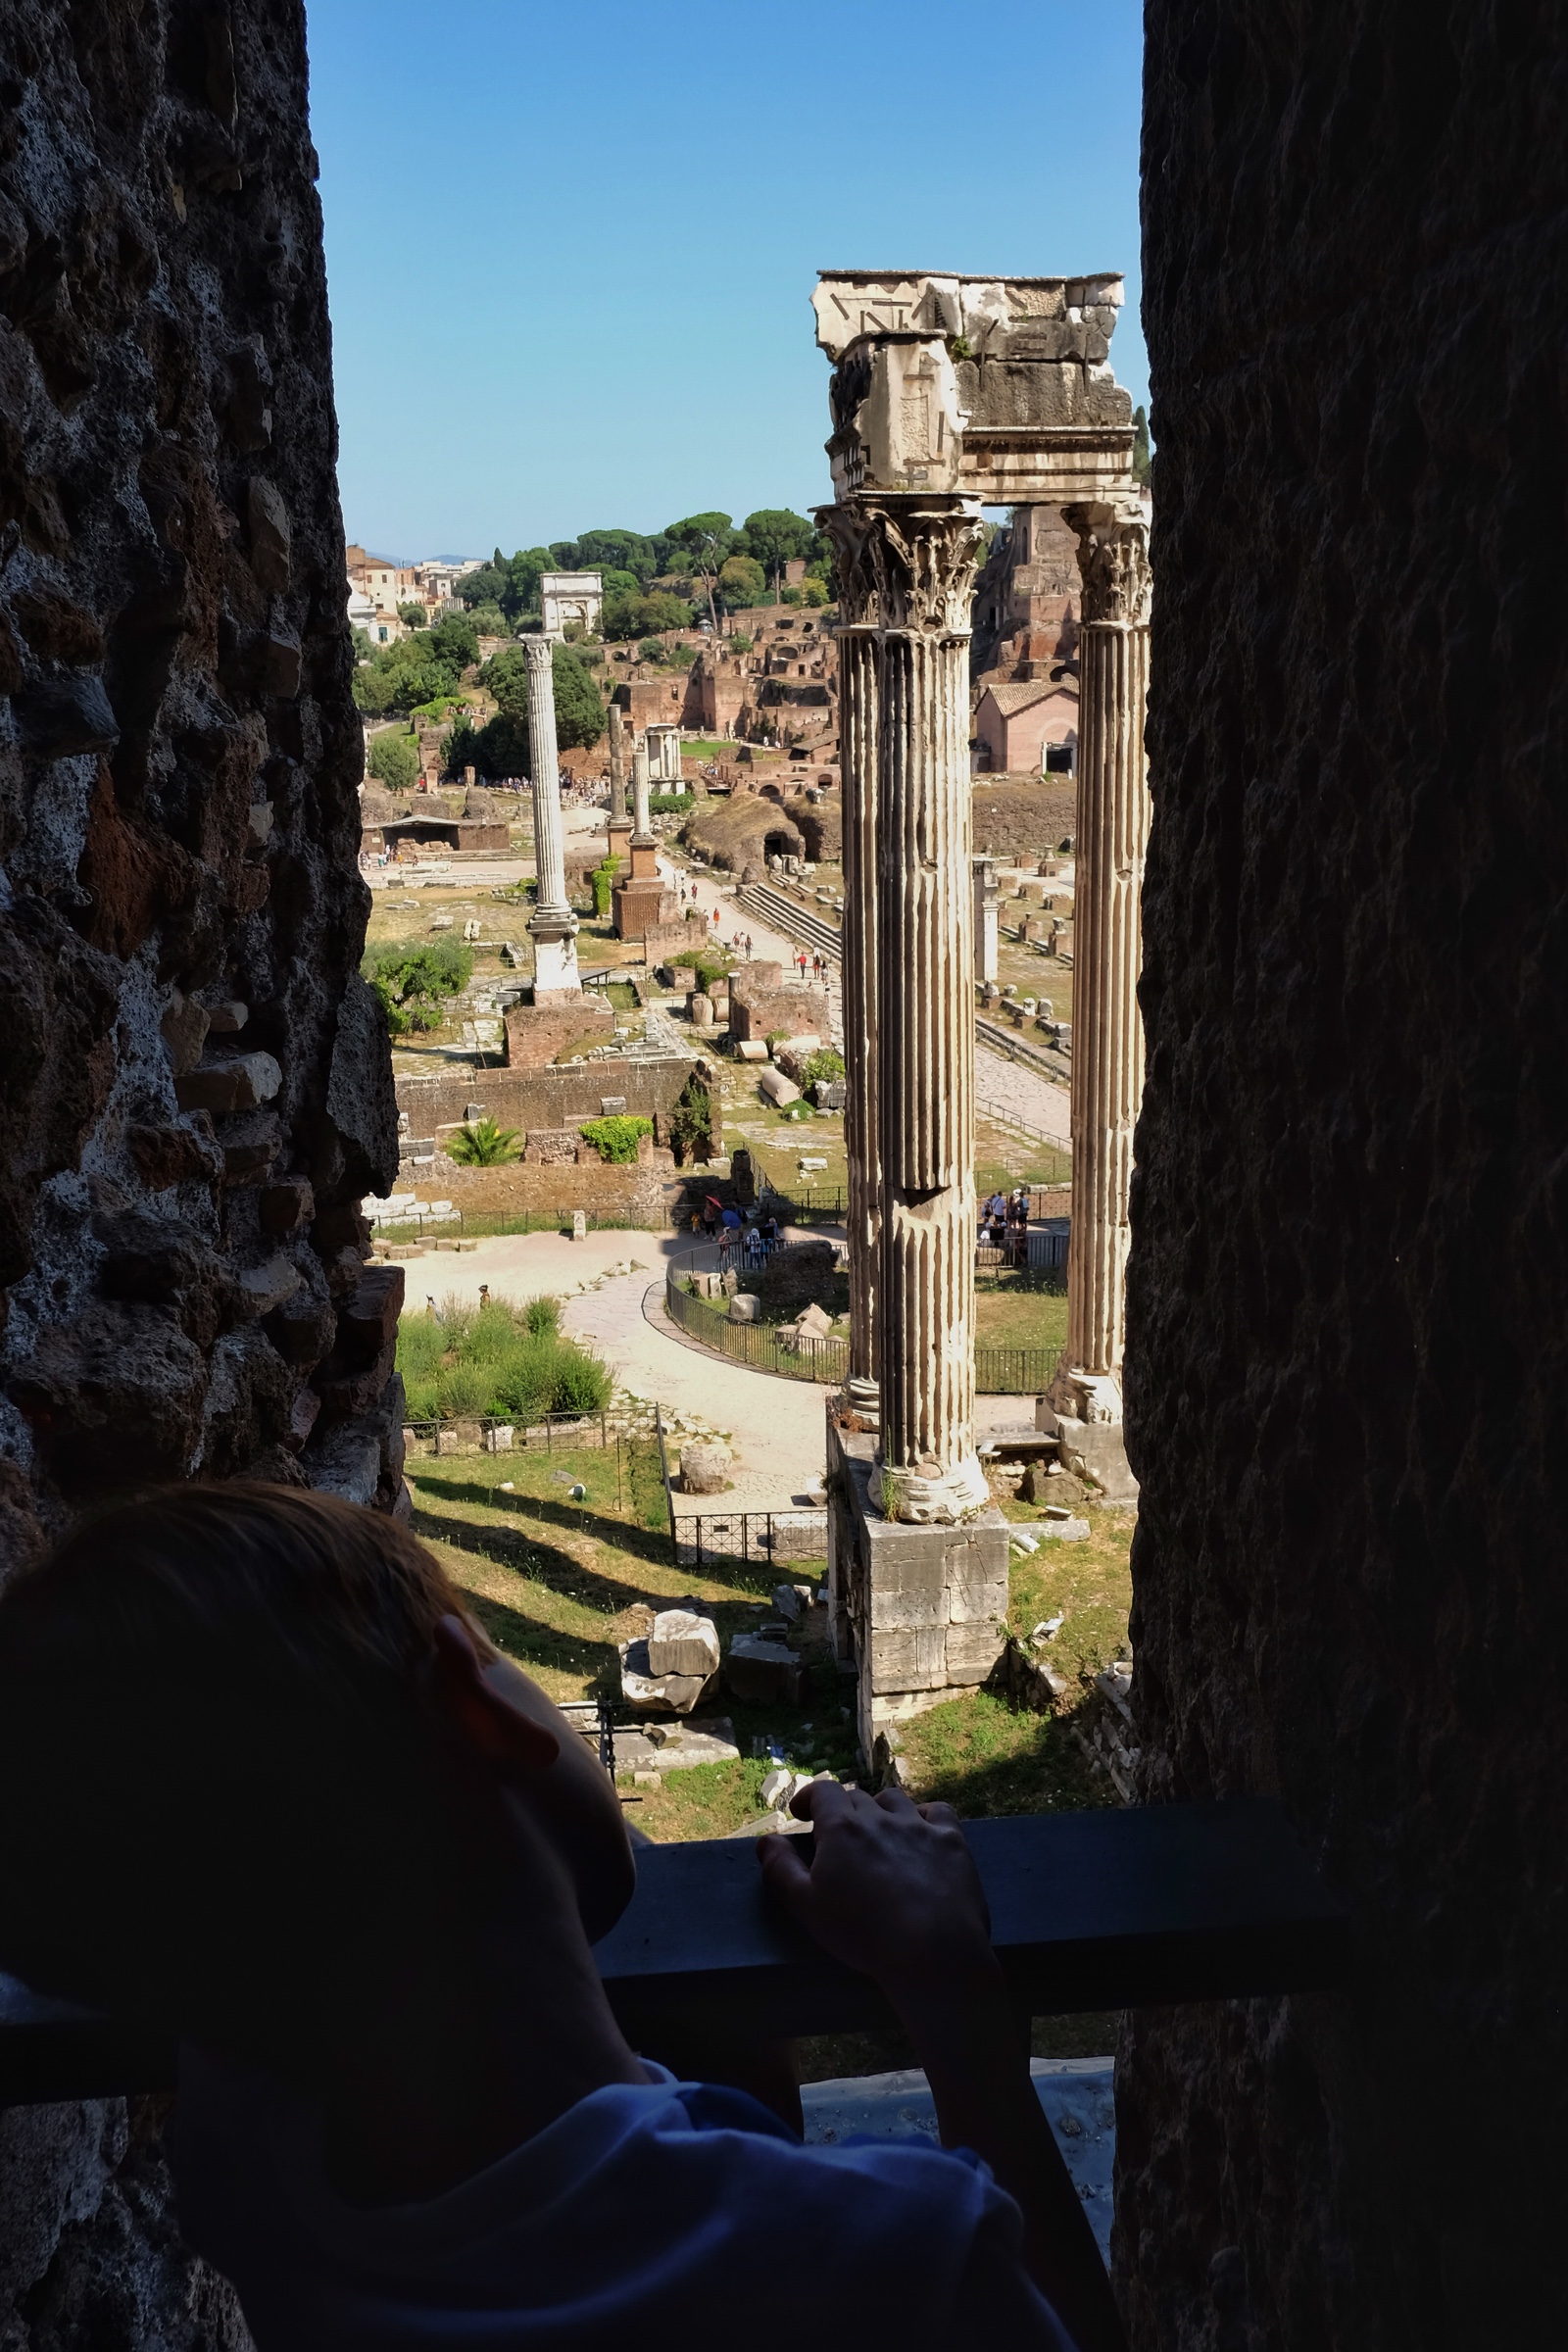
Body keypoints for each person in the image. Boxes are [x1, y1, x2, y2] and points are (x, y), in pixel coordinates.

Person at [0, 1490, 1123, 2352]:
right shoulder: (904, 2250)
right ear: (474, 1708)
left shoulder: (248, 2168)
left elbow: (223, 1850)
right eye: (500, 1660)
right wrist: (954, 2000)